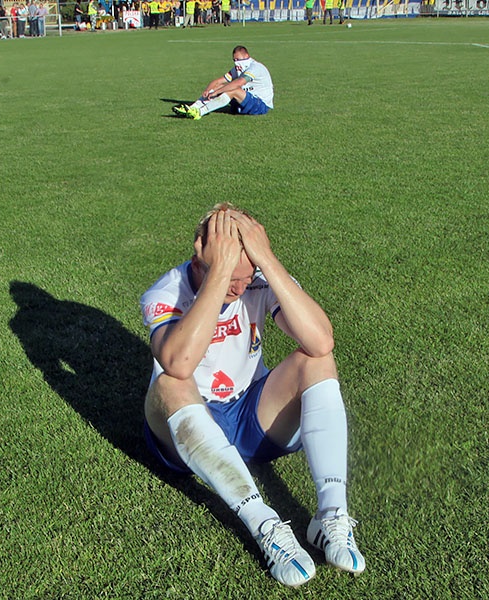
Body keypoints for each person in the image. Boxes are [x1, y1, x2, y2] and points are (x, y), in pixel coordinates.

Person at [140, 204, 367, 587]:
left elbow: (322, 339)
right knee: (169, 382)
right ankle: (265, 525)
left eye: (247, 277)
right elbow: (178, 362)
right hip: (186, 429)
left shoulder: (257, 276)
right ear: (199, 255)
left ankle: (331, 515)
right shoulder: (166, 292)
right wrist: (218, 274)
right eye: (233, 276)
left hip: (250, 416)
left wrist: (266, 259)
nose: (241, 287)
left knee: (316, 359)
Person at [172, 45, 273, 120]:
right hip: (243, 101)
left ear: (247, 56)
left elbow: (239, 83)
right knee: (221, 86)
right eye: (234, 60)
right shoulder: (237, 68)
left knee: (232, 90)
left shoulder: (255, 67)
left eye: (238, 59)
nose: (236, 62)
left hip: (260, 105)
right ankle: (192, 108)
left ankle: (199, 112)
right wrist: (208, 90)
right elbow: (219, 81)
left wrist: (216, 92)